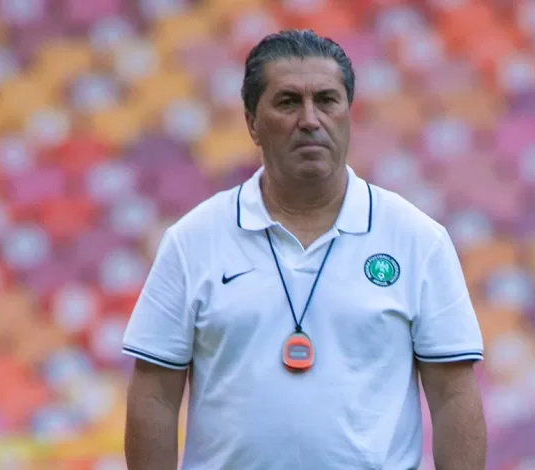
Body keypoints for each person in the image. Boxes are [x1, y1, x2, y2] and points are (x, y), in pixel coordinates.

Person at [122, 29, 486, 470]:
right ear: (252, 123)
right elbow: (155, 394)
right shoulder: (193, 240)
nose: (310, 119)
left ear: (348, 115)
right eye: (288, 102)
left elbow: (452, 395)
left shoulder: (417, 240)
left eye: (327, 100)